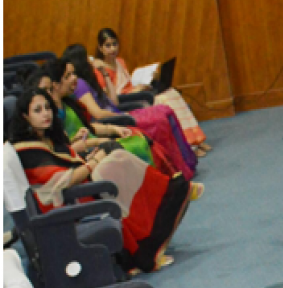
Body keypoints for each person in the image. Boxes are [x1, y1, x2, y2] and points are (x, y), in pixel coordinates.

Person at [8, 88, 204, 274]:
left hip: (77, 188)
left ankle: (170, 192)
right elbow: (63, 182)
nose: (45, 114)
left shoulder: (49, 137)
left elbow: (70, 162)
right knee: (114, 165)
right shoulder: (27, 150)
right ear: (25, 116)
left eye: (47, 107)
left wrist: (91, 157)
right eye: (37, 110)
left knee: (118, 160)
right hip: (61, 204)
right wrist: (94, 161)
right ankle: (169, 199)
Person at [59, 48, 197, 181]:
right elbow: (98, 114)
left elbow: (114, 101)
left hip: (118, 114)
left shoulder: (88, 79)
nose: (91, 60)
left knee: (165, 110)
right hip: (115, 118)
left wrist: (104, 74)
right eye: (87, 58)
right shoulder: (80, 85)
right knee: (160, 120)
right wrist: (122, 116)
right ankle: (176, 171)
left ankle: (185, 163)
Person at [25, 67, 175, 177]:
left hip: (91, 146)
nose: (49, 93)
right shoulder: (46, 122)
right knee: (135, 144)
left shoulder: (65, 104)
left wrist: (114, 129)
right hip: (85, 156)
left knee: (138, 137)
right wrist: (101, 142)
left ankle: (166, 182)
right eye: (45, 90)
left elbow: (88, 128)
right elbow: (65, 152)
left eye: (50, 89)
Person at [91, 29, 213, 156]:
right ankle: (188, 145)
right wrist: (133, 91)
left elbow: (127, 83)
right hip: (126, 100)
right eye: (108, 45)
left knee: (172, 93)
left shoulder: (120, 62)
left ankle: (197, 139)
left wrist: (145, 82)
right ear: (100, 48)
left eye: (114, 44)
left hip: (136, 93)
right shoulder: (99, 69)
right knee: (163, 100)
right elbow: (110, 98)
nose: (112, 49)